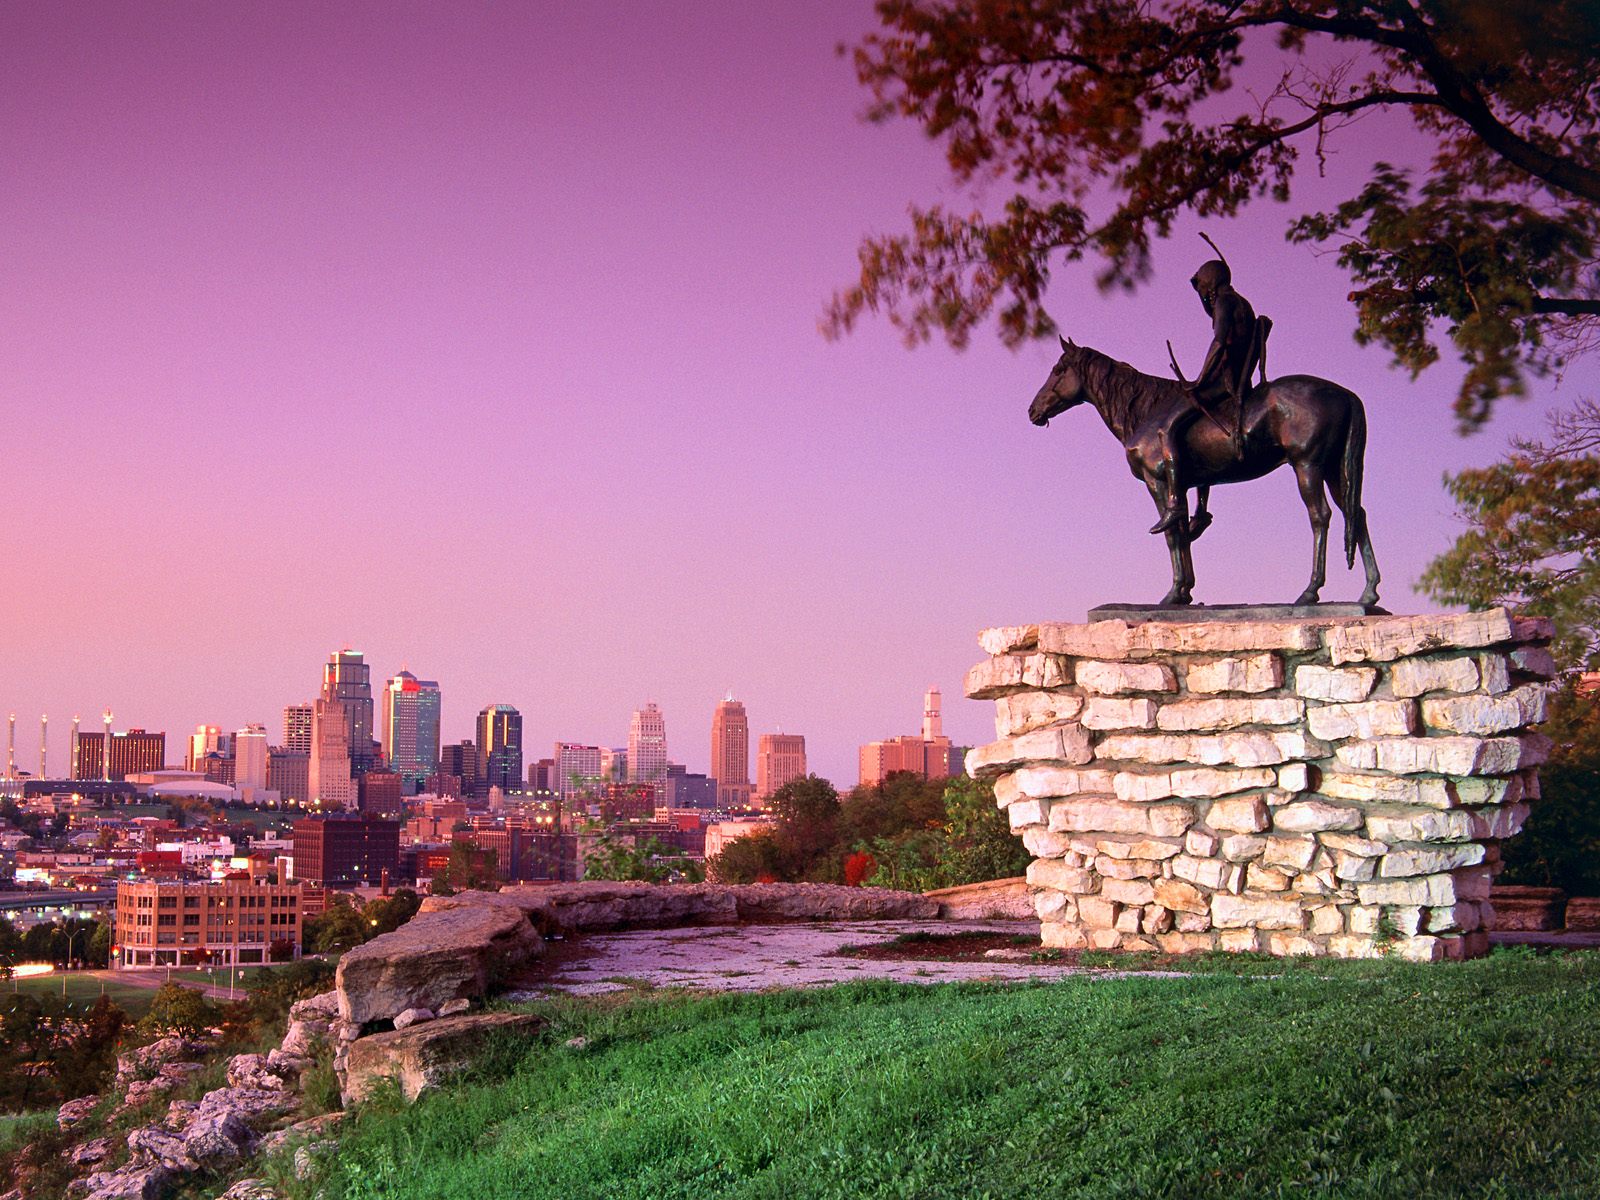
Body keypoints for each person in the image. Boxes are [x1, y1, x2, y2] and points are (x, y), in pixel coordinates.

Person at [1149, 258, 1264, 535]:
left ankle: (1176, 502)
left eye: (1201, 283)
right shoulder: (1241, 303)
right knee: (1197, 433)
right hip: (1240, 381)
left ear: (1211, 282)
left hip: (1223, 384)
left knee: (1169, 428)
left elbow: (1219, 340)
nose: (1200, 290)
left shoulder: (1225, 303)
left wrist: (1200, 380)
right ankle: (1200, 511)